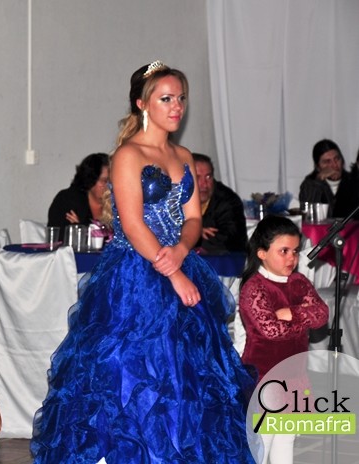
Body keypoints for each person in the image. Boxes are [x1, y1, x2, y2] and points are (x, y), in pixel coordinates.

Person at [31, 61, 256, 463]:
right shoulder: (128, 155)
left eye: (181, 98)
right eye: (166, 98)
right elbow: (133, 225)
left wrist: (182, 251)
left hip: (177, 261)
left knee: (189, 374)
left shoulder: (183, 155)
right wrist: (173, 273)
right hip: (135, 276)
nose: (177, 106)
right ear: (142, 104)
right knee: (133, 372)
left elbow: (193, 218)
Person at [238, 216, 328, 464]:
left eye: (295, 251)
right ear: (262, 253)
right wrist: (304, 318)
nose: (292, 258)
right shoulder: (254, 288)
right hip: (264, 377)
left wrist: (292, 313)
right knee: (263, 440)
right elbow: (271, 330)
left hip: (294, 376)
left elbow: (322, 314)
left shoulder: (299, 282)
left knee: (286, 437)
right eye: (284, 251)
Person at [192, 153, 247, 253]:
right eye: (197, 177)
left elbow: (229, 241)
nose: (204, 184)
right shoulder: (174, 197)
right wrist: (191, 230)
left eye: (208, 177)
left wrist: (192, 236)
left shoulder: (228, 201)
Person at [47, 152, 110, 238]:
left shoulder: (119, 204)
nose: (110, 185)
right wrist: (81, 230)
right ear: (90, 180)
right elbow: (61, 239)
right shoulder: (68, 200)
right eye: (105, 180)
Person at [299, 139, 356, 218]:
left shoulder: (353, 181)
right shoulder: (309, 185)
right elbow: (308, 214)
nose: (334, 165)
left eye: (337, 159)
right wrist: (318, 182)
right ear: (318, 167)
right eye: (327, 162)